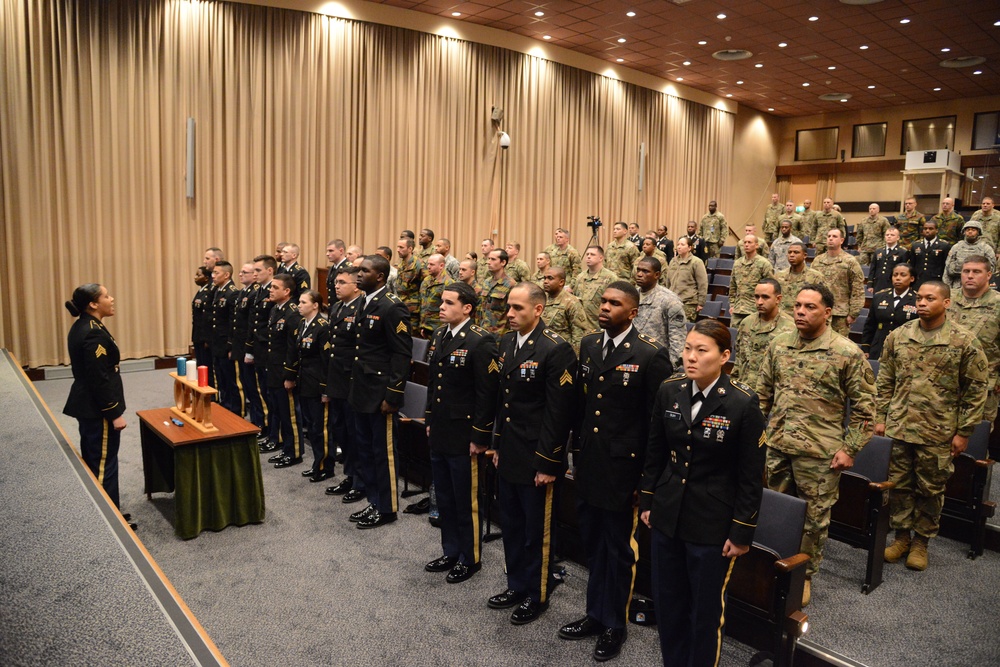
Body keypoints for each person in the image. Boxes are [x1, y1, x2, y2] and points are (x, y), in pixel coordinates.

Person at [640, 320, 766, 666]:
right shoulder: (670, 389)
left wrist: (742, 532)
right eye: (687, 349)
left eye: (702, 350)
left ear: (725, 356)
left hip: (712, 524)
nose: (690, 358)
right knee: (668, 603)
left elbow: (751, 477)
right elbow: (655, 451)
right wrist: (648, 500)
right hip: (668, 514)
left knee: (704, 612)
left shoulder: (742, 404)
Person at [559, 282, 672, 662]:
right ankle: (595, 613)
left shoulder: (651, 355)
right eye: (603, 301)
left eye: (614, 303)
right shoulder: (590, 344)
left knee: (619, 550)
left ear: (633, 312)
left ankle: (615, 624)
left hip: (625, 470)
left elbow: (657, 427)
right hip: (590, 462)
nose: (605, 307)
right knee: (593, 544)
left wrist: (647, 482)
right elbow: (582, 405)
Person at [756, 283, 875, 606]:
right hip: (779, 444)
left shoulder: (845, 352)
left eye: (810, 307)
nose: (800, 312)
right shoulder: (779, 345)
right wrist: (756, 439)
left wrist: (849, 449)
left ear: (828, 312)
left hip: (819, 452)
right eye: (797, 306)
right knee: (776, 512)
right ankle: (774, 568)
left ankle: (803, 575)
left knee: (813, 519)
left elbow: (866, 409)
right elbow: (762, 395)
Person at [876, 279, 988, 572]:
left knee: (931, 487)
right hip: (900, 426)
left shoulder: (963, 341)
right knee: (899, 485)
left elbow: (976, 389)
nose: (922, 303)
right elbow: (885, 380)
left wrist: (964, 431)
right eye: (920, 298)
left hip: (938, 430)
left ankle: (921, 541)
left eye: (929, 298)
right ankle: (901, 537)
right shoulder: (898, 336)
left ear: (946, 303)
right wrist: (879, 417)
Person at [488, 282, 576, 625]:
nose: (510, 314)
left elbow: (559, 414)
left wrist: (549, 462)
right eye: (509, 307)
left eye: (518, 308)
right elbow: (503, 401)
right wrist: (495, 443)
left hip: (537, 455)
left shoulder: (556, 350)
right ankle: (516, 583)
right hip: (510, 448)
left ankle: (537, 593)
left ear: (538, 310)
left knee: (535, 529)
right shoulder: (507, 342)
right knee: (510, 522)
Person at [423, 282, 499, 584]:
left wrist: (480, 436)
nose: (441, 307)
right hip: (441, 427)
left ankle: (470, 558)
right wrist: (429, 417)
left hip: (465, 434)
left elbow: (488, 394)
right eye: (442, 301)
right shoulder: (440, 334)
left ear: (467, 308)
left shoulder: (481, 341)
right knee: (444, 496)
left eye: (449, 303)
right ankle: (450, 551)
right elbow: (434, 383)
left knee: (466, 499)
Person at [348, 255, 412, 529]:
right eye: (359, 270)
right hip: (361, 388)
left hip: (380, 392)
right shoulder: (364, 301)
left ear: (380, 277)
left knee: (383, 452)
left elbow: (401, 354)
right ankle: (374, 501)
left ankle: (387, 507)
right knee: (366, 449)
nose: (358, 275)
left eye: (365, 271)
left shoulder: (392, 307)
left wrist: (393, 395)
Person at [63, 284, 133, 528]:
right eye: (106, 296)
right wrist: (114, 413)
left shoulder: (86, 325)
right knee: (103, 463)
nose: (111, 299)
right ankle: (109, 523)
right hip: (98, 408)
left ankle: (108, 512)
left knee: (96, 459)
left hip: (90, 405)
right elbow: (99, 377)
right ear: (93, 304)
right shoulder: (92, 332)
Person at [324, 265, 366, 502]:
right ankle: (350, 475)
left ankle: (360, 481)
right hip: (337, 379)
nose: (336, 286)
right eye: (336, 282)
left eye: (342, 282)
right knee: (341, 431)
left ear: (356, 286)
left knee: (354, 433)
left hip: (352, 381)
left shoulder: (361, 308)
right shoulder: (337, 308)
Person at [947, 255, 1000, 426]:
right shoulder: (947, 299)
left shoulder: (998, 304)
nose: (970, 276)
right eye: (966, 271)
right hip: (943, 384)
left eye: (976, 272)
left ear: (989, 275)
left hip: (982, 386)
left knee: (974, 441)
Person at [264, 274, 305, 469]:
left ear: (287, 291)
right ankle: (286, 448)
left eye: (274, 287)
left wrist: (290, 374)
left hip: (285, 371)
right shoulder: (275, 310)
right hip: (274, 368)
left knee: (290, 415)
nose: (270, 290)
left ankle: (294, 452)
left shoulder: (292, 313)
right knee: (278, 410)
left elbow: (294, 347)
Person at [292, 289, 333, 482]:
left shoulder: (323, 326)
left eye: (303, 302)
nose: (299, 305)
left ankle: (325, 466)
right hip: (304, 382)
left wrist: (326, 389)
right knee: (312, 427)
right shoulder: (302, 324)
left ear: (315, 305)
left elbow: (326, 361)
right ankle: (317, 463)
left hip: (317, 384)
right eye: (299, 302)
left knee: (320, 428)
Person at [732, 279, 794, 391]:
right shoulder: (746, 323)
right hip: (744, 390)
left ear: (778, 299)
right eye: (757, 297)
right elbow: (739, 360)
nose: (759, 302)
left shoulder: (791, 328)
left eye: (765, 297)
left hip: (771, 393)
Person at [634, 257, 686, 369]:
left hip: (656, 363)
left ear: (657, 275)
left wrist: (669, 367)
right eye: (638, 270)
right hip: (632, 360)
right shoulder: (631, 296)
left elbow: (678, 341)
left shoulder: (670, 300)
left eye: (645, 271)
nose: (639, 274)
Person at [247, 255, 277, 451]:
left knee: (270, 395)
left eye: (258, 270)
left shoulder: (275, 292)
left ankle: (272, 432)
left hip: (268, 349)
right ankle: (267, 429)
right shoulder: (259, 291)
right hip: (258, 347)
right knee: (263, 391)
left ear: (270, 271)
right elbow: (254, 321)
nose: (254, 274)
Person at [811, 229, 865, 336]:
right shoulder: (817, 261)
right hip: (819, 312)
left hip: (840, 315)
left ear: (841, 240)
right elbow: (811, 286)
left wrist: (853, 314)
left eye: (834, 236)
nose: (830, 238)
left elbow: (857, 289)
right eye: (829, 236)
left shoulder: (850, 261)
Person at [861, 263, 918, 360]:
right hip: (879, 347)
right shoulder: (880, 297)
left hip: (905, 349)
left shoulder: (917, 300)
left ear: (912, 278)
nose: (898, 278)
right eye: (895, 275)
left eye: (903, 275)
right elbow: (870, 325)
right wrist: (866, 347)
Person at [209, 261, 239, 414]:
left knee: (230, 379)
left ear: (227, 275)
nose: (213, 276)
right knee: (220, 377)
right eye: (213, 273)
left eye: (216, 273)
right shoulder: (218, 290)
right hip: (217, 342)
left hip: (226, 344)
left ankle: (233, 410)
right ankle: (224, 405)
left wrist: (230, 345)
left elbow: (233, 322)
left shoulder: (232, 292)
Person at [231, 263, 259, 419]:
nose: (240, 274)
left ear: (254, 275)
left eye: (244, 272)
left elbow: (251, 323)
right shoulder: (243, 292)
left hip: (248, 344)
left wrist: (249, 347)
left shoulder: (254, 293)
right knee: (245, 382)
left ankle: (258, 420)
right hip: (240, 343)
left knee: (252, 386)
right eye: (240, 271)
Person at [541, 266, 589, 354]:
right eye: (545, 278)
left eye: (550, 278)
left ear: (561, 282)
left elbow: (578, 336)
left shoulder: (572, 302)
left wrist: (573, 359)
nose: (545, 281)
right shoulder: (541, 299)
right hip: (542, 351)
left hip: (562, 353)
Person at [729, 234, 774, 327]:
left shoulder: (764, 264)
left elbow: (771, 287)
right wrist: (732, 304)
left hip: (755, 310)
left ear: (756, 245)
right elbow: (733, 286)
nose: (746, 245)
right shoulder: (737, 263)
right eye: (744, 242)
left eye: (749, 242)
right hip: (738, 309)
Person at [572, 246, 617, 332]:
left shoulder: (610, 277)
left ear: (601, 258)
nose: (588, 256)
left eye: (592, 254)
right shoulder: (580, 277)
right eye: (587, 254)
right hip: (580, 327)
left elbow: (614, 303)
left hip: (598, 326)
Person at [774, 242, 825, 316]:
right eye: (789, 252)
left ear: (805, 255)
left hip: (805, 317)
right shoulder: (779, 276)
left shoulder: (816, 277)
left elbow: (823, 302)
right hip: (782, 319)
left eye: (796, 252)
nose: (792, 255)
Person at [666, 236, 708, 322]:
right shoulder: (673, 261)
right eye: (678, 244)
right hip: (672, 301)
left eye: (682, 244)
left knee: (684, 329)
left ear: (689, 247)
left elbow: (702, 283)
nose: (679, 247)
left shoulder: (696, 262)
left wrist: (701, 303)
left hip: (688, 303)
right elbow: (668, 282)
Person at [943, 220, 996, 289]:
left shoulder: (986, 248)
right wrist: (947, 288)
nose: (970, 232)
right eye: (968, 230)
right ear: (964, 232)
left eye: (973, 230)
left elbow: (991, 270)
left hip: (979, 286)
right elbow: (947, 270)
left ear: (978, 232)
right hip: (958, 286)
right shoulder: (956, 247)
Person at [418, 254, 454, 338]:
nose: (428, 267)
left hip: (438, 329)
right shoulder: (426, 281)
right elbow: (423, 304)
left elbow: (450, 310)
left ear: (441, 266)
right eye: (428, 264)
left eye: (432, 264)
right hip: (424, 327)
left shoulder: (448, 283)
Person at [394, 237, 425, 333]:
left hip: (414, 311)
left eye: (401, 247)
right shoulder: (401, 264)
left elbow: (425, 287)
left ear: (410, 249)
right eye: (397, 247)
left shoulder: (419, 264)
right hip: (401, 308)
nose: (398, 250)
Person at [481, 249, 515, 335]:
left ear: (503, 262)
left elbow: (514, 311)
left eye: (493, 259)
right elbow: (482, 309)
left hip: (501, 335)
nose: (488, 262)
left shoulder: (511, 284)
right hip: (484, 332)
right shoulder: (486, 282)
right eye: (488, 259)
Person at [910, 219, 951, 288]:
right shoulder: (916, 245)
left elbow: (946, 265)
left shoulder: (944, 245)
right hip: (919, 280)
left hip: (936, 280)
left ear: (937, 230)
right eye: (925, 229)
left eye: (931, 229)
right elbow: (912, 264)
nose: (927, 231)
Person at [191, 265, 214, 385]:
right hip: (198, 335)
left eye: (198, 275)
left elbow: (207, 318)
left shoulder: (208, 291)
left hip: (204, 336)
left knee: (207, 366)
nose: (195, 277)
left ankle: (211, 395)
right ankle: (203, 390)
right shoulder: (201, 291)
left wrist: (206, 338)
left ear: (206, 278)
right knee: (200, 365)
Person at [869, 227, 909, 293]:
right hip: (878, 283)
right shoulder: (879, 251)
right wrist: (870, 284)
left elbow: (904, 271)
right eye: (887, 235)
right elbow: (873, 268)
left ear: (898, 238)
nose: (889, 237)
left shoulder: (903, 252)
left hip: (893, 284)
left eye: (892, 235)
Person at [855, 203, 890, 268]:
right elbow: (859, 234)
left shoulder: (883, 221)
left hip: (878, 248)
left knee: (877, 266)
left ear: (878, 210)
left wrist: (884, 246)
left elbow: (886, 234)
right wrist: (859, 246)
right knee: (862, 266)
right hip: (865, 248)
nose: (871, 210)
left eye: (874, 209)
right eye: (870, 209)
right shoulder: (863, 221)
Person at [325, 239, 349, 311]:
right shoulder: (333, 268)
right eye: (327, 251)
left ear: (341, 251)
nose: (327, 254)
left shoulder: (348, 268)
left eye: (331, 251)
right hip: (333, 307)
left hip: (343, 308)